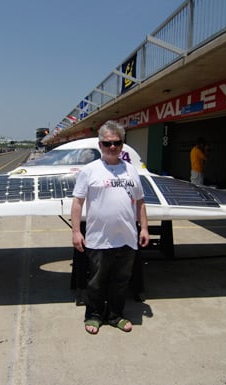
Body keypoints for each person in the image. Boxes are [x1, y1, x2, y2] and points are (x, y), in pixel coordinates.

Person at [71, 120, 150, 335]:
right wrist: (76, 231)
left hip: (127, 238)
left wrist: (144, 229)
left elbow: (140, 202)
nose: (112, 147)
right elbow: (77, 203)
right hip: (99, 238)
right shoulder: (89, 171)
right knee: (96, 281)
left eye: (117, 142)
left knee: (121, 281)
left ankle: (116, 315)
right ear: (100, 145)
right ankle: (94, 315)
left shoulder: (131, 171)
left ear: (122, 144)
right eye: (107, 143)